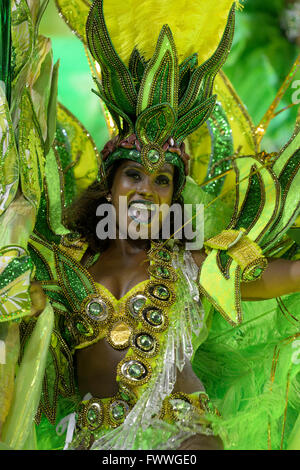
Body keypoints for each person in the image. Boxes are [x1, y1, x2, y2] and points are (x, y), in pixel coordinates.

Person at [0, 0, 299, 451]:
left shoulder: (190, 264)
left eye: (161, 181)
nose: (146, 190)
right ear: (110, 185)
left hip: (181, 439)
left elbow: (286, 275)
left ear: (173, 200)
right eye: (134, 175)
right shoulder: (62, 266)